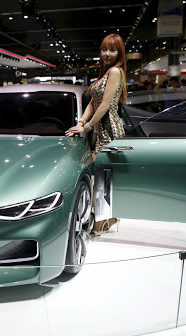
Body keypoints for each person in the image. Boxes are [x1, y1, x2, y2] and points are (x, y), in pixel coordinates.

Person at [65, 33, 127, 236]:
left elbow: (106, 106)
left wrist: (87, 127)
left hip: (111, 132)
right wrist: (81, 122)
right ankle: (106, 219)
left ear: (119, 53)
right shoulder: (105, 73)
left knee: (100, 178)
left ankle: (105, 220)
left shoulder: (116, 72)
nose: (107, 54)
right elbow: (93, 103)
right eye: (104, 49)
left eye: (112, 50)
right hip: (102, 132)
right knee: (100, 179)